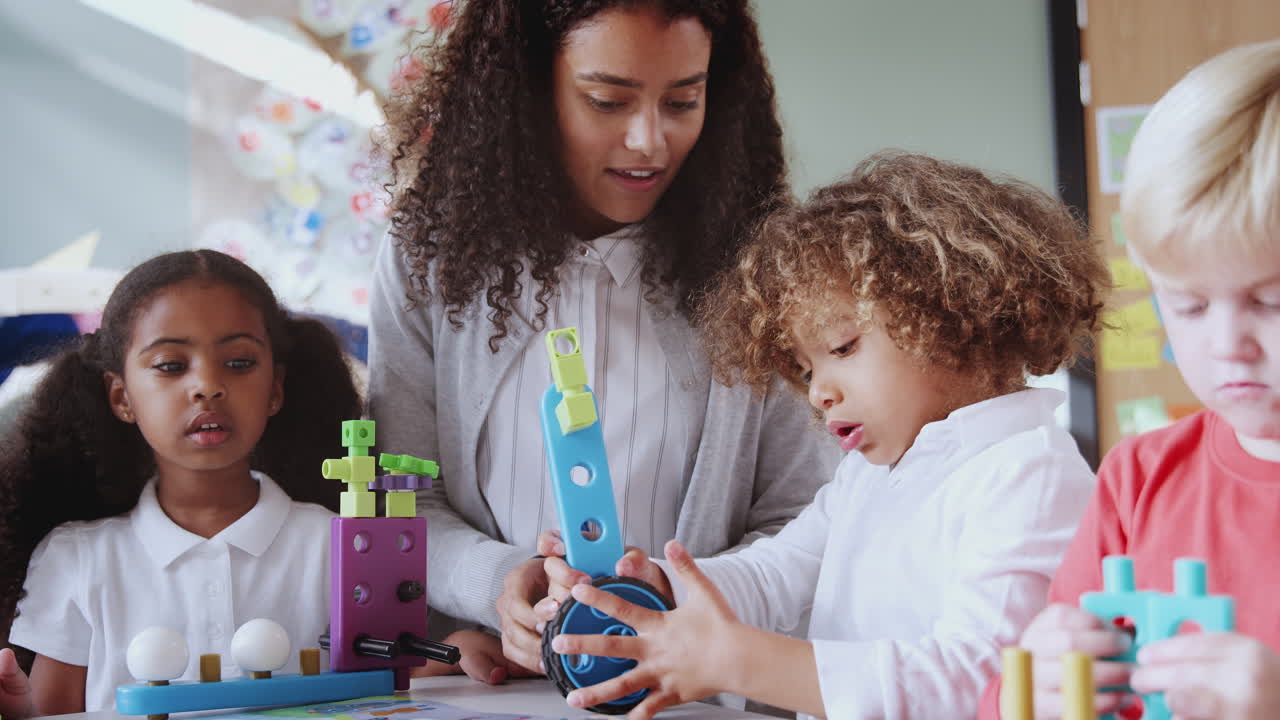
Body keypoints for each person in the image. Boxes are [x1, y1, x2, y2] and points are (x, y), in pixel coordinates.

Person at [544, 151, 1107, 719]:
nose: (818, 393)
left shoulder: (1026, 475)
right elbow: (772, 576)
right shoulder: (869, 474)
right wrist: (655, 588)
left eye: (842, 348)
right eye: (806, 370)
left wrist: (736, 661)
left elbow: (983, 683)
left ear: (953, 315)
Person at [370, 0, 835, 682]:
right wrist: (502, 581)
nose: (649, 140)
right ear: (527, 92)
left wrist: (688, 605)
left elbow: (801, 517)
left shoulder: (763, 267)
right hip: (496, 694)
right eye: (607, 101)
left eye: (682, 101)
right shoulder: (429, 258)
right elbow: (401, 497)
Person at [980, 39, 1280, 720]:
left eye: (1271, 301)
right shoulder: (1139, 480)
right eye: (1191, 305)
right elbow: (1015, 701)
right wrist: (1035, 695)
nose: (1228, 344)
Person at [0, 250, 361, 714]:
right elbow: (56, 714)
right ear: (121, 396)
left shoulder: (340, 545)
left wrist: (447, 659)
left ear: (276, 388)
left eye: (239, 362)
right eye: (171, 365)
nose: (207, 385)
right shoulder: (76, 559)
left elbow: (393, 692)